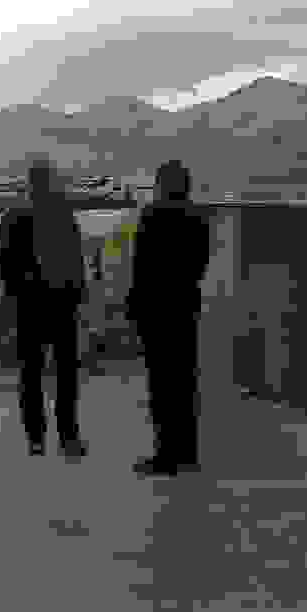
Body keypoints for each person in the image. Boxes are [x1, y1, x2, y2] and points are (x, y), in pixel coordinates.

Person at [0, 157, 89, 458]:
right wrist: (79, 294)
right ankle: (69, 437)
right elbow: (76, 256)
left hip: (29, 305)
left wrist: (16, 294)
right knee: (65, 373)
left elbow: (3, 263)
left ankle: (36, 438)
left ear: (29, 182)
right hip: (62, 303)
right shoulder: (62, 212)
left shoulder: (13, 214)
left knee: (31, 373)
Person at [127, 160, 210, 476]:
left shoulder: (152, 215)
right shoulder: (197, 217)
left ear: (162, 184)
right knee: (184, 382)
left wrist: (135, 307)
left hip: (157, 310)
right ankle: (188, 454)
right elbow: (200, 264)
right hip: (185, 306)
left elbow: (142, 267)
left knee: (162, 386)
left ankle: (166, 456)